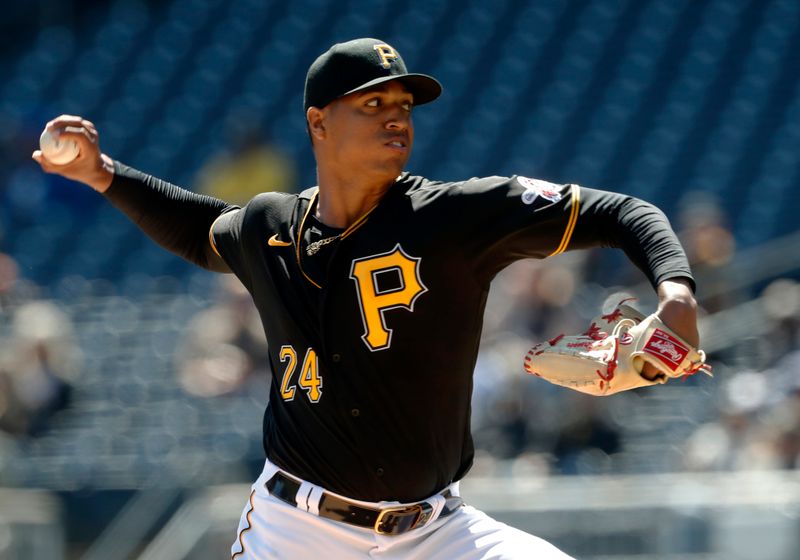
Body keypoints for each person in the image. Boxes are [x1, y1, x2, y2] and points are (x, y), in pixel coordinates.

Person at [33, 38, 701, 559]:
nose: (396, 120)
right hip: (298, 533)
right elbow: (199, 229)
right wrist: (101, 174)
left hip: (438, 534)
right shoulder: (268, 227)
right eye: (373, 105)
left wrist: (675, 288)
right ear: (319, 123)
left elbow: (622, 212)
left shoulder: (455, 216)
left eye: (404, 106)